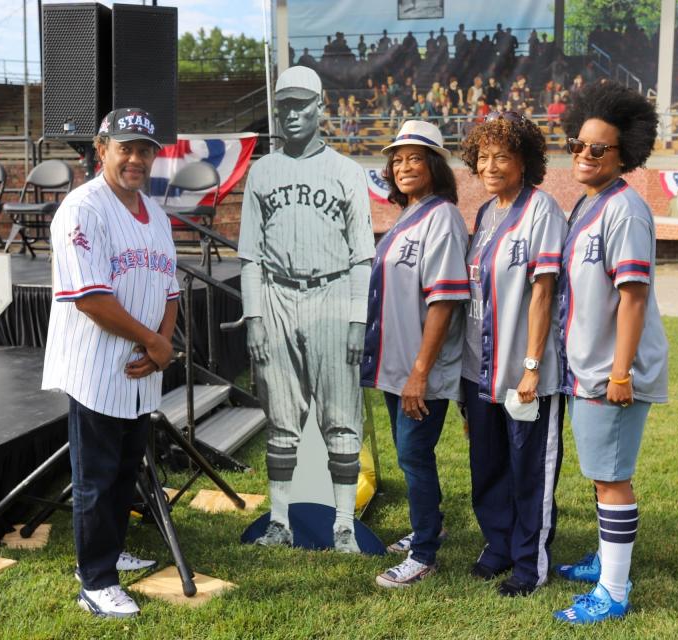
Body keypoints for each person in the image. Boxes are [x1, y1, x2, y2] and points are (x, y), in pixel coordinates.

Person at [41, 107, 176, 618]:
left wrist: (161, 341)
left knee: (124, 473)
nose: (136, 158)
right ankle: (94, 580)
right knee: (95, 478)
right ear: (101, 150)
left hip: (141, 365)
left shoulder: (155, 212)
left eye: (145, 149)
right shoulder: (83, 208)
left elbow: (170, 288)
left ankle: (109, 550)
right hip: (97, 367)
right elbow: (90, 299)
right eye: (126, 147)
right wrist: (157, 344)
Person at [238, 67, 376, 552]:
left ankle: (342, 525)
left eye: (301, 105)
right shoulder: (262, 170)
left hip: (333, 292)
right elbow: (250, 256)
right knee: (280, 414)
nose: (291, 114)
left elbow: (363, 256)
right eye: (284, 106)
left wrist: (358, 320)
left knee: (340, 415)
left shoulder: (346, 172)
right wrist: (253, 317)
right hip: (276, 294)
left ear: (321, 106)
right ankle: (280, 522)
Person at [552, 82, 669, 624]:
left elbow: (634, 296)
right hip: (590, 367)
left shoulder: (627, 210)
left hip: (610, 373)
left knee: (612, 477)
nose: (583, 154)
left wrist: (620, 372)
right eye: (577, 143)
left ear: (626, 155)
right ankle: (605, 559)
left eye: (597, 149)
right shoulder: (589, 204)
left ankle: (614, 592)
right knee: (603, 474)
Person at [458, 111, 568, 597]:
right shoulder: (484, 215)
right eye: (483, 157)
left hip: (523, 373)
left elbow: (543, 291)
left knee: (529, 472)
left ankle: (529, 563)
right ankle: (498, 545)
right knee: (488, 466)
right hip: (479, 372)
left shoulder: (541, 210)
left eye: (502, 156)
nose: (491, 165)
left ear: (525, 160)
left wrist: (531, 364)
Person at [361, 120, 470, 588]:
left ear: (435, 166)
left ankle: (425, 552)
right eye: (398, 159)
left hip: (418, 369)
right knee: (411, 456)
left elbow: (444, 301)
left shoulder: (441, 216)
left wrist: (420, 372)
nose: (404, 166)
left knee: (413, 454)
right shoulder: (410, 214)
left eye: (415, 158)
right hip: (396, 365)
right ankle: (432, 525)